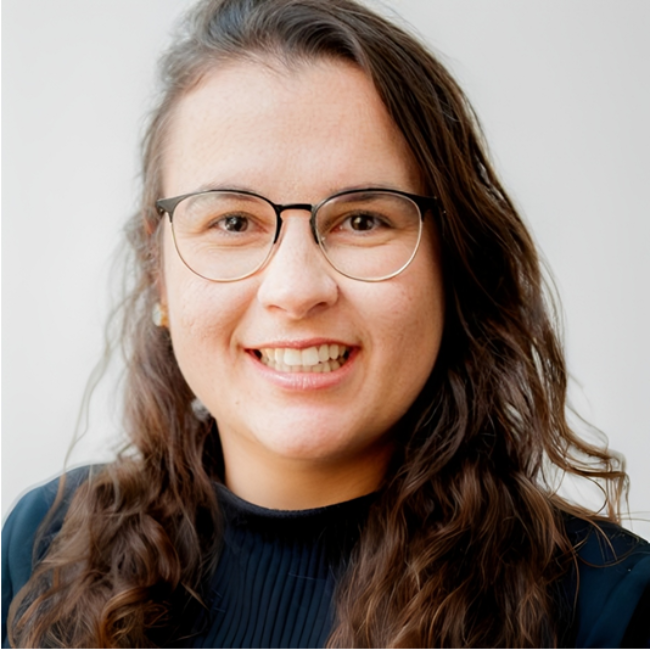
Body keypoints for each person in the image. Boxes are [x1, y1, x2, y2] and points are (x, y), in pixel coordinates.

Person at [3, 0, 649, 647]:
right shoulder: (43, 552)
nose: (295, 290)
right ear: (158, 272)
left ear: (453, 261)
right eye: (233, 221)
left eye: (362, 220)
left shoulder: (608, 610)